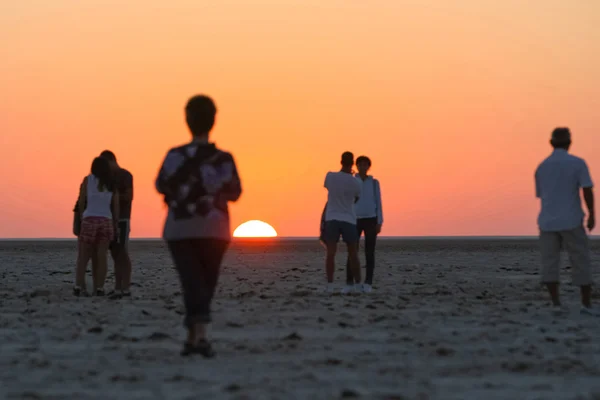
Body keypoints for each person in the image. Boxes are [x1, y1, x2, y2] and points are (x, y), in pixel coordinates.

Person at [155, 94, 242, 357]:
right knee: (205, 283)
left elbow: (161, 184)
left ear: (187, 120)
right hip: (214, 229)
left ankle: (194, 336)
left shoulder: (174, 155)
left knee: (191, 282)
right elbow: (235, 192)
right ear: (213, 120)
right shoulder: (223, 159)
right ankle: (199, 337)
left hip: (180, 228)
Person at [535, 127, 597, 315]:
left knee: (550, 262)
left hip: (547, 221)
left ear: (551, 143)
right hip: (571, 219)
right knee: (580, 260)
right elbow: (586, 189)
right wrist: (592, 213)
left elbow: (541, 195)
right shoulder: (577, 163)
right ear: (569, 143)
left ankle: (556, 302)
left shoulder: (542, 166)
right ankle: (585, 303)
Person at [74, 157, 119, 296]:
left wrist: (82, 217)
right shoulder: (111, 183)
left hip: (89, 218)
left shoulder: (87, 180)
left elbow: (81, 201)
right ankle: (99, 287)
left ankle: (78, 285)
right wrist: (115, 223)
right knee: (102, 256)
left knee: (83, 256)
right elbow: (115, 205)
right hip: (106, 220)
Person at [322, 151, 363, 294]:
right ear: (352, 163)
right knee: (353, 253)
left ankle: (330, 285)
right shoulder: (356, 182)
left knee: (331, 253)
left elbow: (329, 192)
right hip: (348, 218)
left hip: (332, 217)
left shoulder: (330, 177)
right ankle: (358, 285)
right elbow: (356, 199)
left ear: (341, 162)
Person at [345, 155, 383, 293]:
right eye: (360, 164)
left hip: (371, 219)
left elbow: (378, 202)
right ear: (357, 166)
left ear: (368, 166)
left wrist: (379, 221)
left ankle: (368, 283)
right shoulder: (352, 181)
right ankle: (350, 283)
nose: (362, 167)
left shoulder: (374, 183)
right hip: (354, 220)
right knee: (352, 252)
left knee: (369, 252)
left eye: (365, 164)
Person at [99, 150, 134, 299]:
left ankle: (125, 287)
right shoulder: (106, 177)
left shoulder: (126, 175)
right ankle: (117, 286)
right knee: (114, 253)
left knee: (122, 253)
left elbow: (129, 196)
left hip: (122, 219)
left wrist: (114, 197)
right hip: (109, 219)